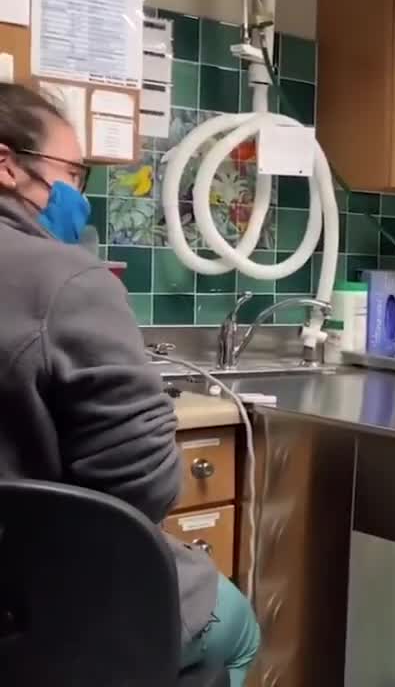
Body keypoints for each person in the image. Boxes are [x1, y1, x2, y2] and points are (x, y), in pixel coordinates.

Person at [0, 83, 261, 685]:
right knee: (237, 625)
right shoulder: (67, 281)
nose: (79, 197)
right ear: (8, 167)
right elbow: (138, 490)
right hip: (47, 608)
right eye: (72, 173)